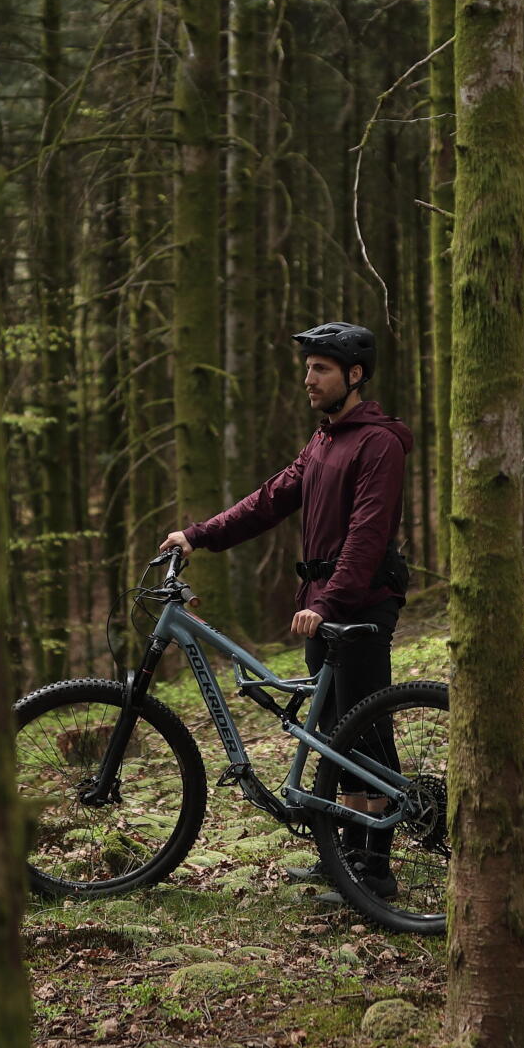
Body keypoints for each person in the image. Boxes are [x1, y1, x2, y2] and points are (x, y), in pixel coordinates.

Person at [163, 322, 412, 904]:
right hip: (325, 605)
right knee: (335, 737)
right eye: (307, 368)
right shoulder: (326, 440)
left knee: (364, 735)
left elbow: (367, 535)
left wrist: (328, 601)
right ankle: (346, 859)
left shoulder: (379, 443)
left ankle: (374, 871)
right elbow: (269, 499)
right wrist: (198, 535)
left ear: (354, 375)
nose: (308, 379)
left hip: (360, 603)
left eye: (320, 369)